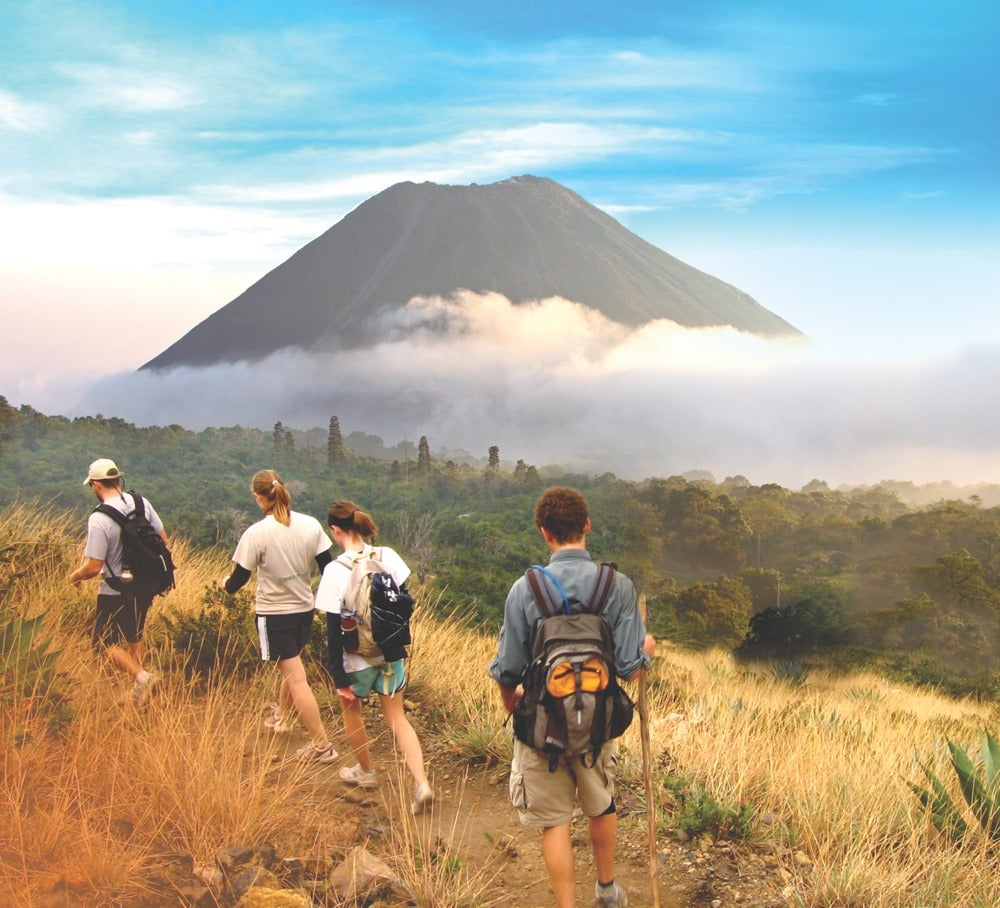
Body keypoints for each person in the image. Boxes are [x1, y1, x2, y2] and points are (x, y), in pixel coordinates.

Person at [488, 486, 655, 908]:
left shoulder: (524, 590)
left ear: (544, 533)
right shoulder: (616, 586)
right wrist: (647, 651)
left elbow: (507, 669)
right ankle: (606, 890)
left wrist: (516, 708)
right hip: (597, 724)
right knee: (601, 804)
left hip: (543, 724)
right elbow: (630, 671)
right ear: (587, 525)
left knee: (555, 822)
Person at [315, 499, 433, 815]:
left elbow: (331, 630)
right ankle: (421, 783)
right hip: (390, 653)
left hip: (356, 659)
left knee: (352, 711)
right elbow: (403, 603)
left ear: (336, 531)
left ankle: (365, 772)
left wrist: (338, 676)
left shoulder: (334, 570)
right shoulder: (387, 555)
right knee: (398, 718)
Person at [223, 469, 337, 763]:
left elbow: (237, 582)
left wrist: (223, 584)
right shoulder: (310, 525)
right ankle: (283, 718)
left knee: (296, 678)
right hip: (303, 611)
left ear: (258, 496)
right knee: (293, 669)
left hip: (273, 615)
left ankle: (322, 744)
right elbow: (329, 567)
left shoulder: (257, 533)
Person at [70, 458, 168, 706]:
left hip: (115, 588)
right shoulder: (140, 503)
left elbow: (94, 567)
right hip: (146, 583)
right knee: (135, 633)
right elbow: (163, 539)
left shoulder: (99, 518)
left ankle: (142, 677)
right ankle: (141, 690)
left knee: (103, 642)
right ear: (117, 480)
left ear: (95, 485)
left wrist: (76, 576)